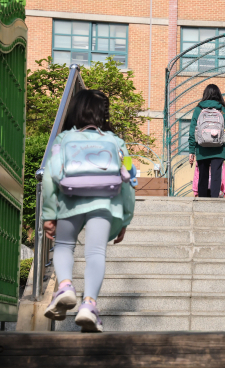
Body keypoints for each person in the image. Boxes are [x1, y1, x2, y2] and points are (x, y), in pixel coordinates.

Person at [41, 90, 136, 333]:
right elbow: (129, 180)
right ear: (103, 114)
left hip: (70, 200)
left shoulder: (63, 140)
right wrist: (125, 217)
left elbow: (51, 177)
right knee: (96, 253)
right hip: (105, 203)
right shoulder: (117, 142)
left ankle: (65, 287)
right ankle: (89, 305)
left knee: (63, 246)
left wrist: (49, 214)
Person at [186, 84, 225, 198]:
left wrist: (191, 151)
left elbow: (192, 131)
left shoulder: (198, 110)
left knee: (202, 176)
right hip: (219, 149)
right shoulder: (223, 111)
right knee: (216, 176)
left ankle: (202, 204)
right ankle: (214, 204)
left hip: (201, 149)